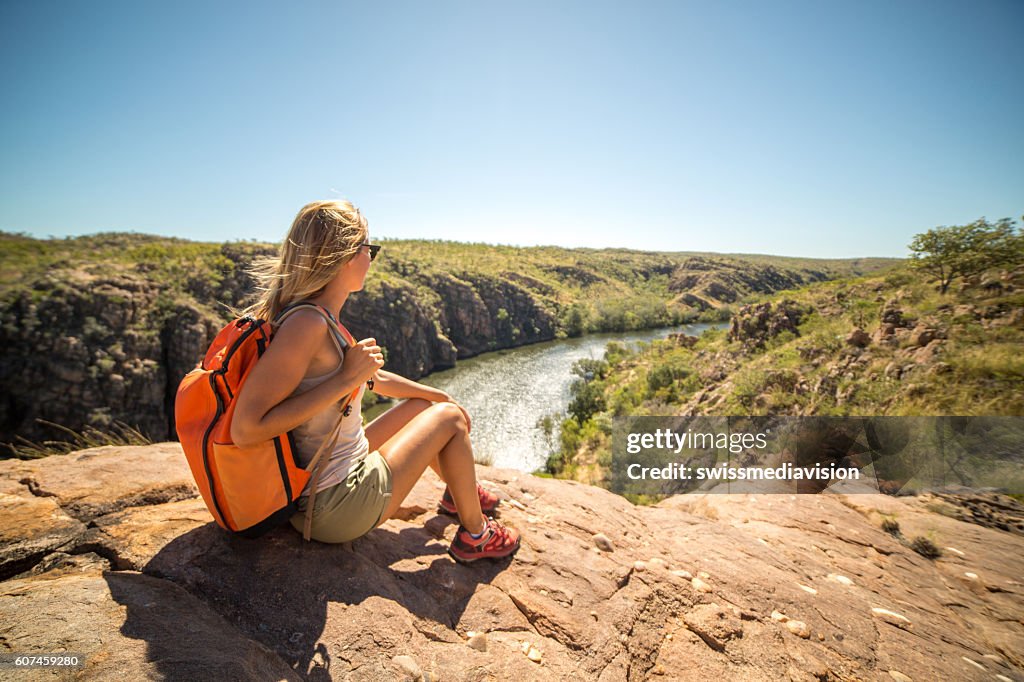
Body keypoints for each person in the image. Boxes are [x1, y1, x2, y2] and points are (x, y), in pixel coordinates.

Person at [229, 200, 520, 563]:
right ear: (347, 255)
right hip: (334, 504)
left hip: (331, 480)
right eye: (370, 249)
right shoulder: (307, 325)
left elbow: (373, 378)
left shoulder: (321, 317)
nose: (371, 258)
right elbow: (246, 429)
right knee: (450, 420)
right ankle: (477, 535)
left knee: (427, 409)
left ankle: (459, 493)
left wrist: (436, 394)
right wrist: (345, 379)